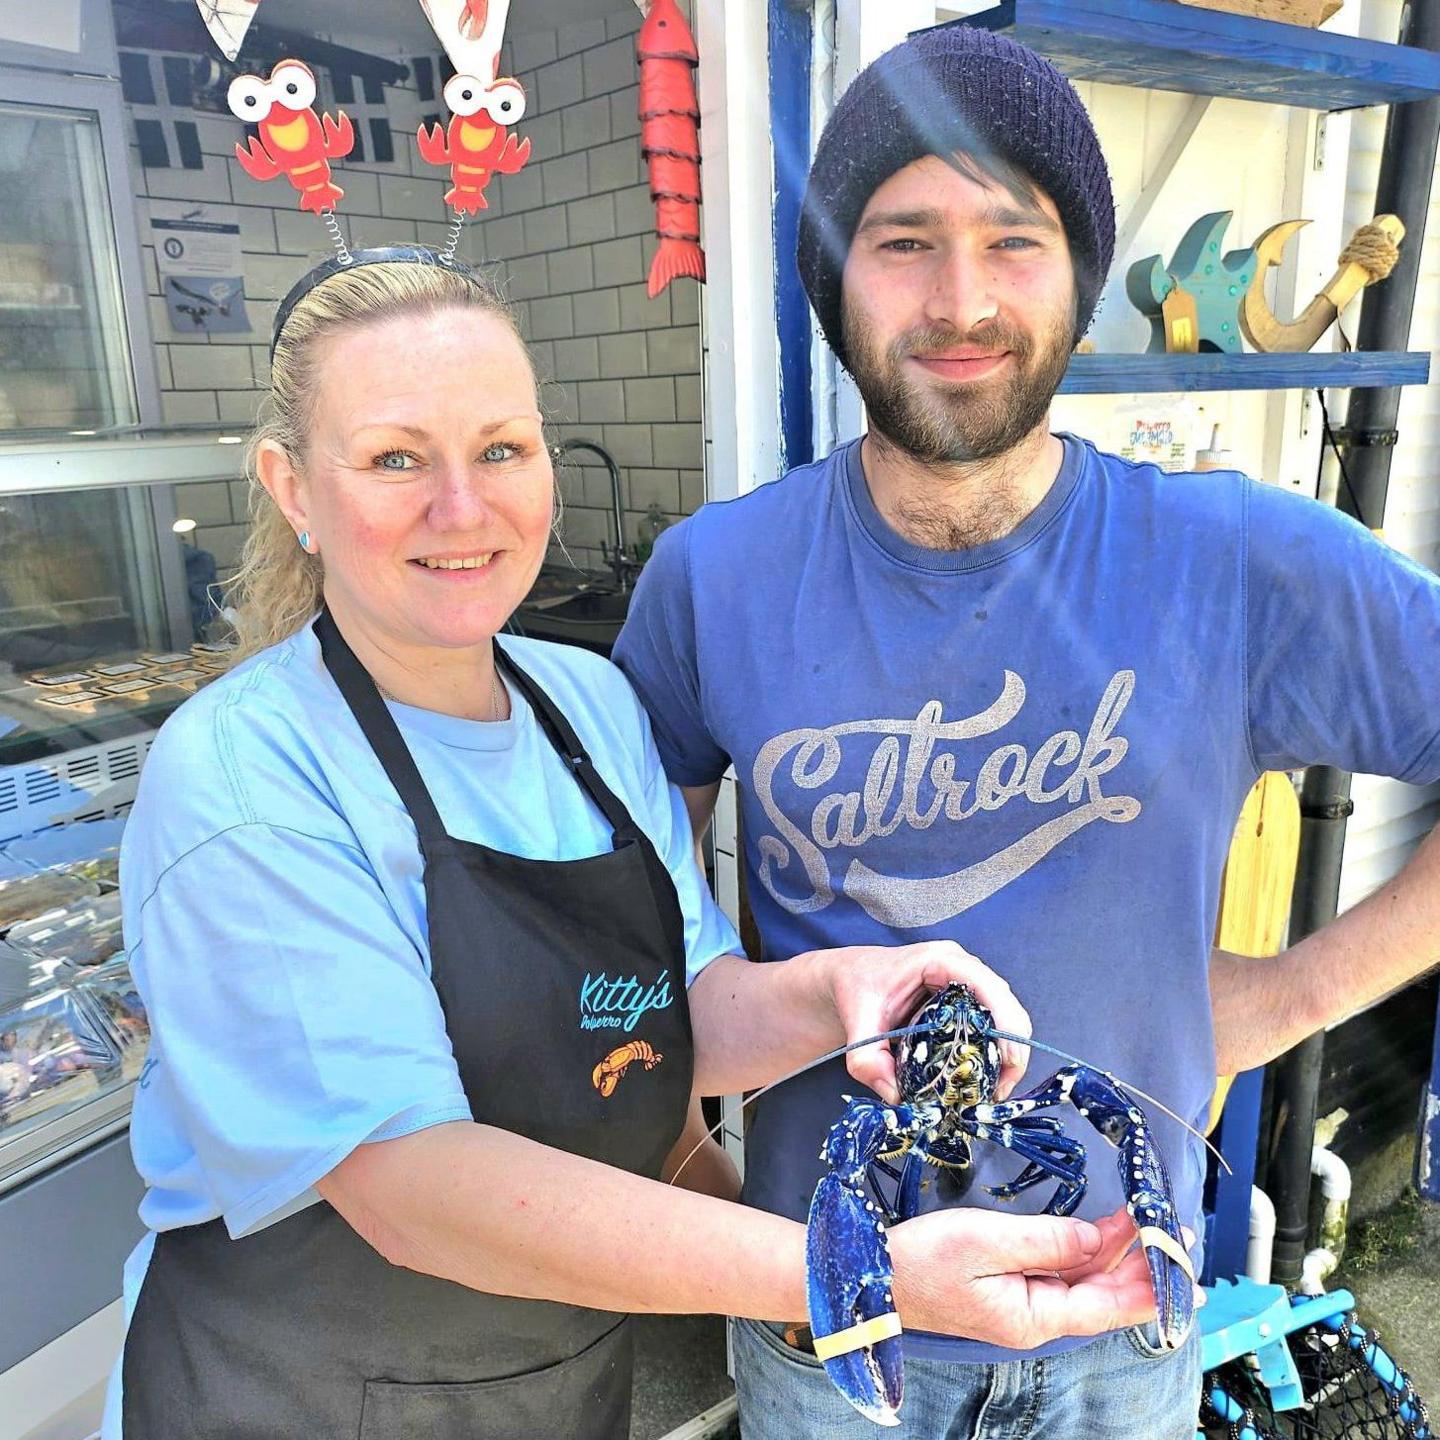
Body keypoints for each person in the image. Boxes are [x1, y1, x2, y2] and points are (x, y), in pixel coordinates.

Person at [102, 247, 1162, 1440]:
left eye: (500, 447)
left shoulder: (586, 709)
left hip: (554, 1385)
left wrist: (840, 993)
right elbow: (412, 1192)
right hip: (293, 1399)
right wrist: (838, 1272)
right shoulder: (246, 775)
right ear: (292, 488)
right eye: (397, 458)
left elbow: (662, 1019)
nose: (464, 507)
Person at [613, 23, 1440, 1440]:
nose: (959, 298)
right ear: (832, 273)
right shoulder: (714, 577)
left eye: (1014, 238)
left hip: (1123, 1324)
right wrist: (680, 1149)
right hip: (829, 1334)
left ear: (1078, 275)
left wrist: (1294, 995)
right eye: (902, 240)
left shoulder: (1238, 560)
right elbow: (627, 912)